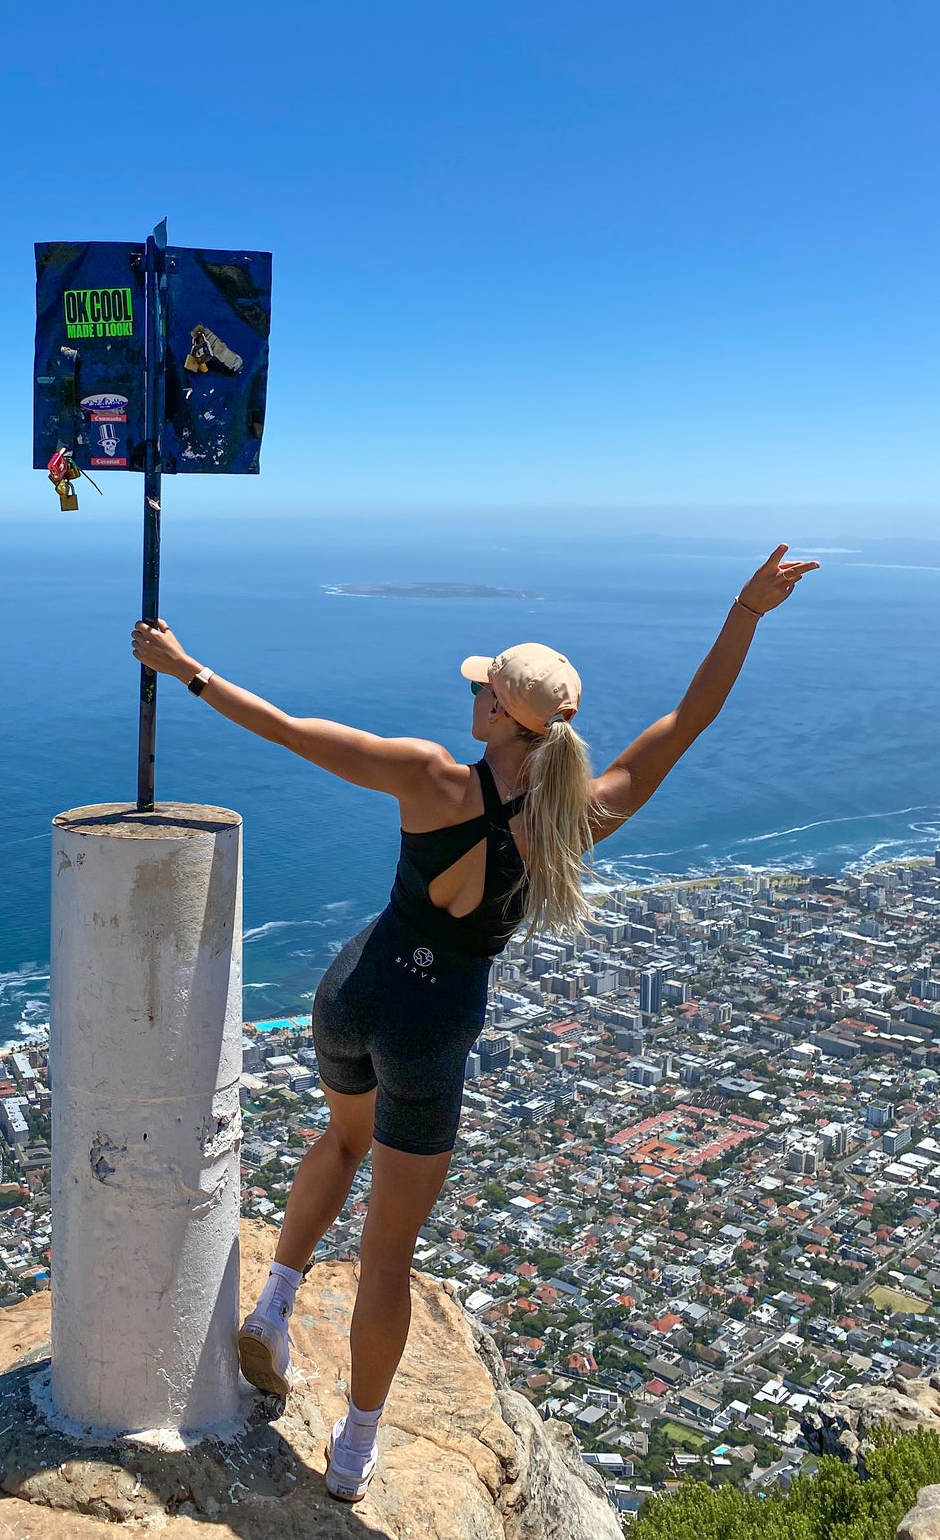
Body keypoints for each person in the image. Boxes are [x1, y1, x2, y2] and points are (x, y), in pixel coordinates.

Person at [131, 542, 818, 1501]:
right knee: (387, 1251)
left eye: (482, 687)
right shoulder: (582, 815)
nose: (472, 695)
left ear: (498, 712)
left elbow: (288, 731)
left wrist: (185, 669)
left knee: (340, 1138)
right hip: (433, 1023)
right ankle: (353, 1451)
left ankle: (277, 1304)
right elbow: (688, 719)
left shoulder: (427, 777)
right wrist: (745, 611)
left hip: (354, 988)